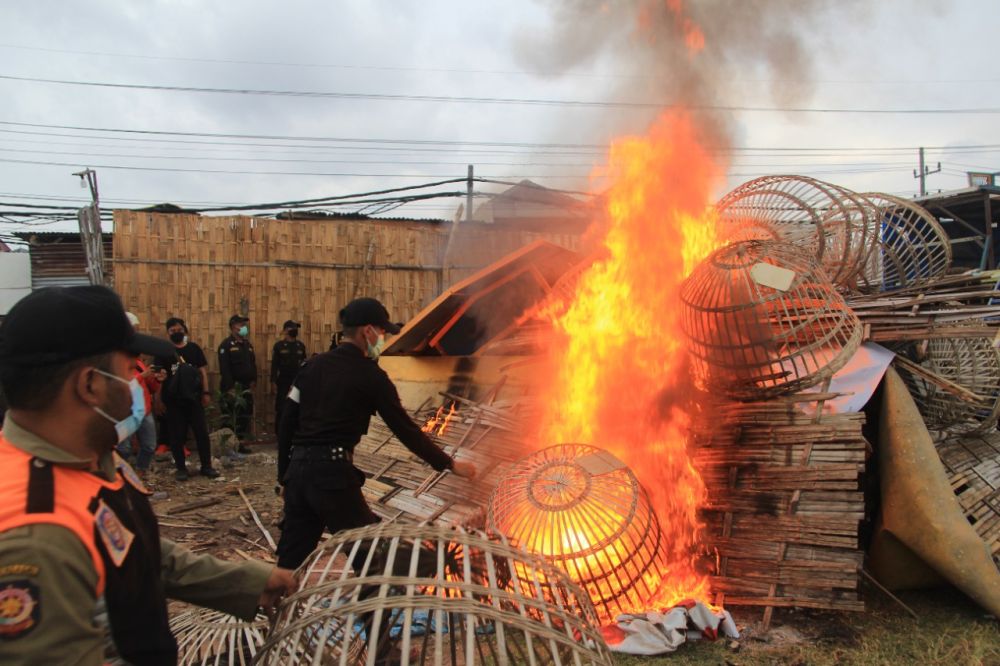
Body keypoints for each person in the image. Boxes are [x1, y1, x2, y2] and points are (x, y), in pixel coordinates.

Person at [0, 285, 296, 664]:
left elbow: (135, 550)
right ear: (90, 385)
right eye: (130, 371)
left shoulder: (92, 458)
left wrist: (243, 582)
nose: (137, 384)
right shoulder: (36, 536)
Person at [275, 297, 477, 570]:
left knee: (289, 564)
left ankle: (279, 608)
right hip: (333, 478)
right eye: (382, 332)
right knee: (373, 559)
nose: (383, 339)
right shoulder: (371, 376)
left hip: (298, 475)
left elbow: (286, 421)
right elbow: (405, 430)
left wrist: (284, 477)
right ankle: (372, 613)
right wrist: (449, 464)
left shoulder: (311, 367)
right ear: (367, 331)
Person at [154, 317, 219, 481]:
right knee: (176, 436)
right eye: (172, 331)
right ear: (168, 333)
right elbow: (159, 377)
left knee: (201, 433)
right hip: (173, 401)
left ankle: (206, 466)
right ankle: (181, 469)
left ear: (185, 329)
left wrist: (205, 393)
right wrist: (158, 399)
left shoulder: (194, 349)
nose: (176, 333)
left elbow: (203, 372)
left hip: (194, 399)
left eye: (179, 329)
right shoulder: (164, 351)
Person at [115, 312, 159, 476]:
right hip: (125, 412)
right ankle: (122, 474)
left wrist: (157, 380)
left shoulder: (138, 361)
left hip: (144, 410)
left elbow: (150, 387)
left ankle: (140, 471)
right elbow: (120, 384)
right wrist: (142, 376)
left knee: (149, 445)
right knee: (124, 448)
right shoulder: (115, 359)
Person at [218, 314, 257, 451]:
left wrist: (253, 381)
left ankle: (240, 444)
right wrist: (230, 388)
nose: (244, 327)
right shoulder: (226, 345)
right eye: (241, 325)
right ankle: (228, 446)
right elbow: (225, 368)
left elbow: (252, 364)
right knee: (231, 417)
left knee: (244, 416)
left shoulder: (248, 345)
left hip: (246, 388)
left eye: (244, 325)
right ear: (233, 327)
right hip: (233, 387)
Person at [270, 320, 307, 434]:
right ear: (285, 330)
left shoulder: (300, 346)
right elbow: (274, 366)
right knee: (282, 409)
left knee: (297, 408)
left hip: (297, 381)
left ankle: (295, 434)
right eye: (292, 328)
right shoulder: (279, 346)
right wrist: (273, 382)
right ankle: (280, 435)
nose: (295, 330)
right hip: (283, 382)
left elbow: (304, 364)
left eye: (296, 328)